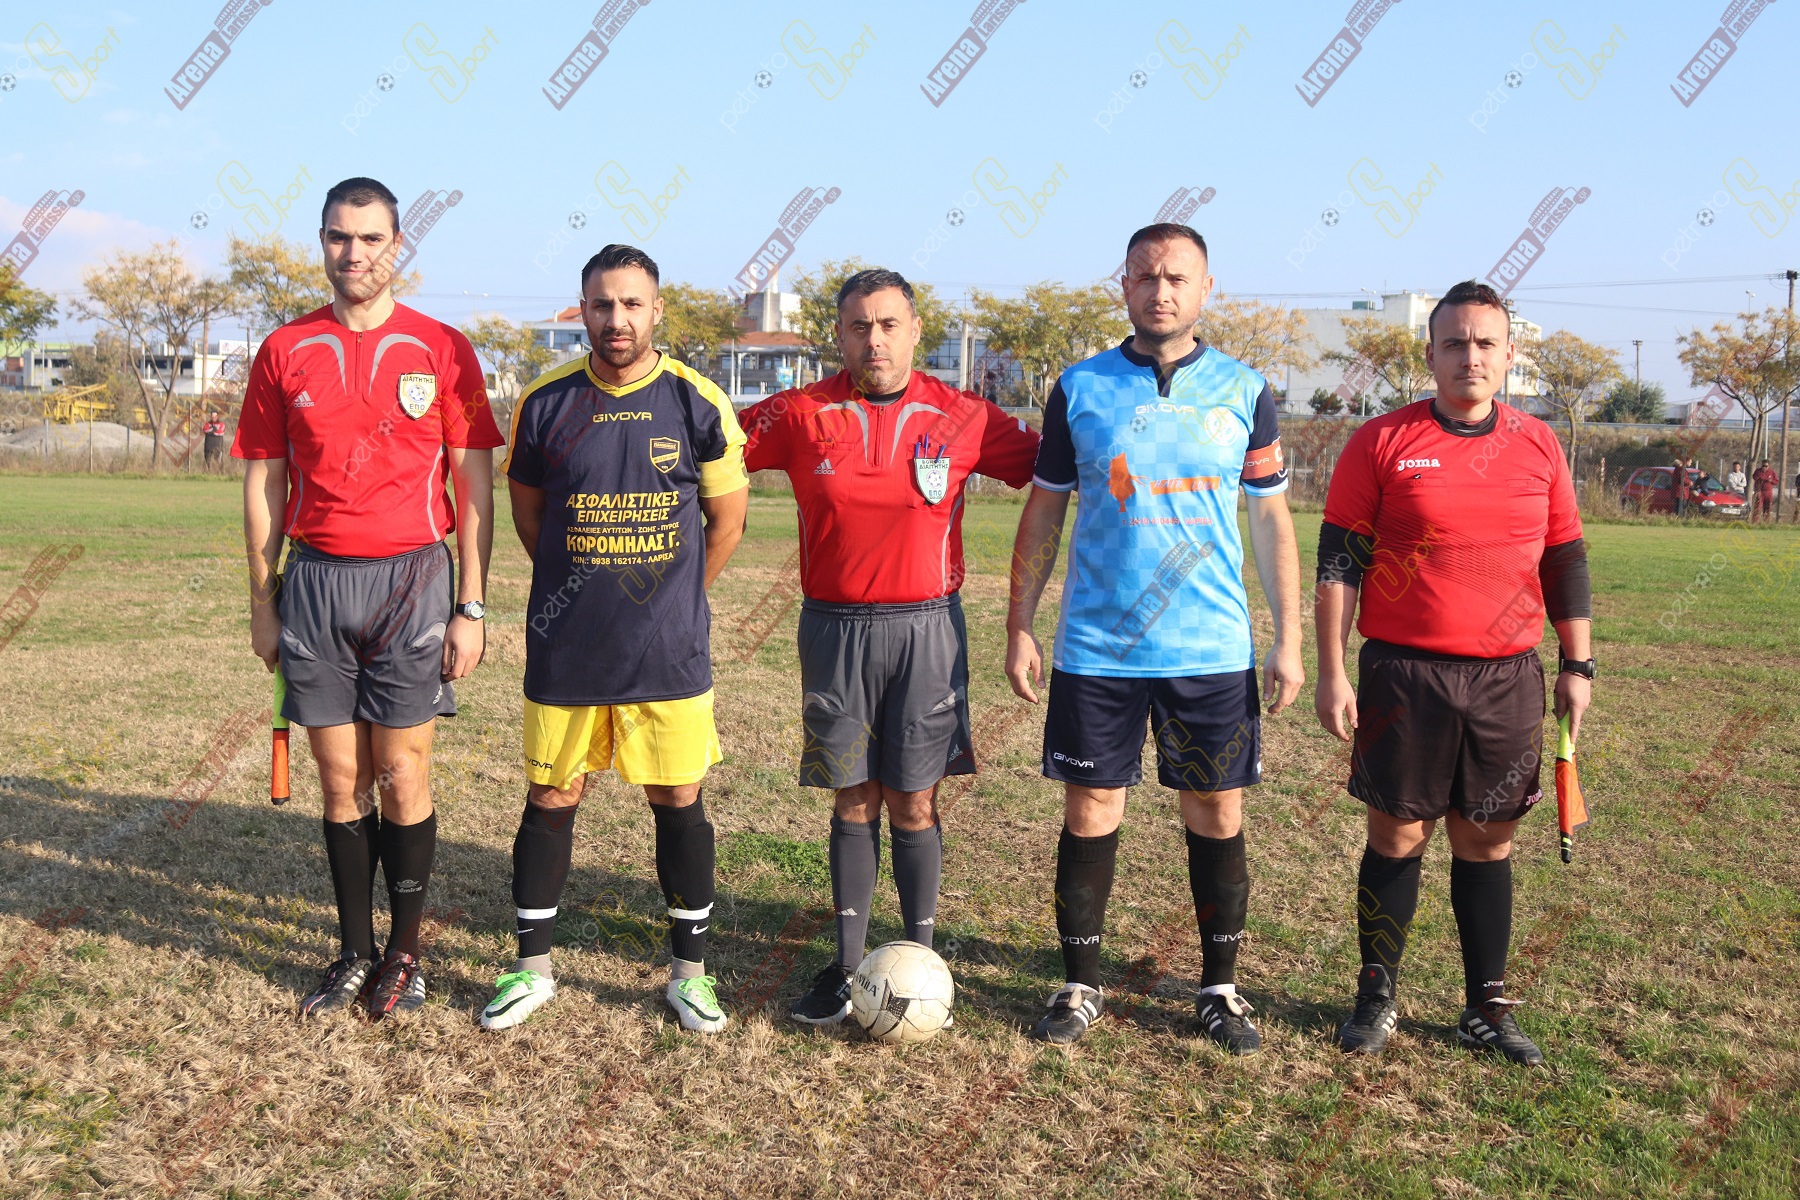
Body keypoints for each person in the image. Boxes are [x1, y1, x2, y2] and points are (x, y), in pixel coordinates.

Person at [1005, 223, 1303, 1051]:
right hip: (1098, 647)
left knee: (1215, 810)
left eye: (1176, 277)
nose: (1160, 290)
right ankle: (1079, 984)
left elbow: (1271, 520)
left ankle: (1219, 989)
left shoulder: (1245, 389)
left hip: (1211, 647)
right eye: (1144, 276)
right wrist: (1020, 623)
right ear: (1124, 286)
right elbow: (1045, 510)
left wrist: (1289, 638)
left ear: (1206, 288)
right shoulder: (1079, 388)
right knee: (1090, 808)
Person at [738, 268, 1040, 1025]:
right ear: (839, 336)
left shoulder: (964, 416)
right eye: (858, 326)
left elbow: (1058, 468)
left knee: (913, 797)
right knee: (853, 794)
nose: (874, 339)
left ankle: (919, 964)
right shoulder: (799, 412)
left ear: (914, 330)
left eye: (888, 324)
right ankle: (848, 969)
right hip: (833, 627)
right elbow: (704, 443)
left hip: (927, 630)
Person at [234, 177, 501, 1019]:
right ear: (322, 242)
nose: (354, 253)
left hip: (412, 582)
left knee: (402, 772)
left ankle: (406, 954)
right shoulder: (285, 349)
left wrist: (472, 606)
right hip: (315, 583)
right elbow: (264, 483)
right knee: (339, 780)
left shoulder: (443, 348)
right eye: (338, 237)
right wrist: (262, 603)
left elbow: (475, 485)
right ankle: (354, 951)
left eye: (371, 238)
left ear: (398, 246)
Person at [1315, 279, 1592, 1066]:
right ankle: (1376, 995)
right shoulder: (1381, 441)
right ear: (1431, 354)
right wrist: (1332, 670)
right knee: (1398, 834)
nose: (1470, 356)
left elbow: (1565, 558)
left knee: (1487, 840)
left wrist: (1578, 662)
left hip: (1508, 677)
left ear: (1508, 355)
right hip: (1406, 673)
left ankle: (1485, 1008)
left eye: (1485, 343)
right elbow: (1339, 563)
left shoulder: (1539, 443)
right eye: (1454, 343)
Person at [482, 243, 749, 1033]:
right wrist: (579, 586)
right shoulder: (546, 402)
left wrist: (674, 600)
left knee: (678, 797)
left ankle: (690, 976)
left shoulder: (697, 401)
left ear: (657, 310)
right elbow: (530, 517)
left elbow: (727, 522)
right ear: (584, 310)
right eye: (602, 304)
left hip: (668, 652)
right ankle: (531, 970)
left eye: (632, 303)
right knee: (552, 795)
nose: (617, 319)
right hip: (567, 647)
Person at [1752, 459, 1778, 523]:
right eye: (1763, 466)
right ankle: (1754, 522)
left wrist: (1771, 480)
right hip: (1759, 491)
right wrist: (1761, 475)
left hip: (1768, 492)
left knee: (1767, 507)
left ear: (1769, 466)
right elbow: (1754, 477)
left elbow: (1776, 481)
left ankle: (1765, 522)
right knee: (1757, 507)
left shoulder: (1771, 472)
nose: (1764, 467)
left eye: (1766, 466)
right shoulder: (1758, 471)